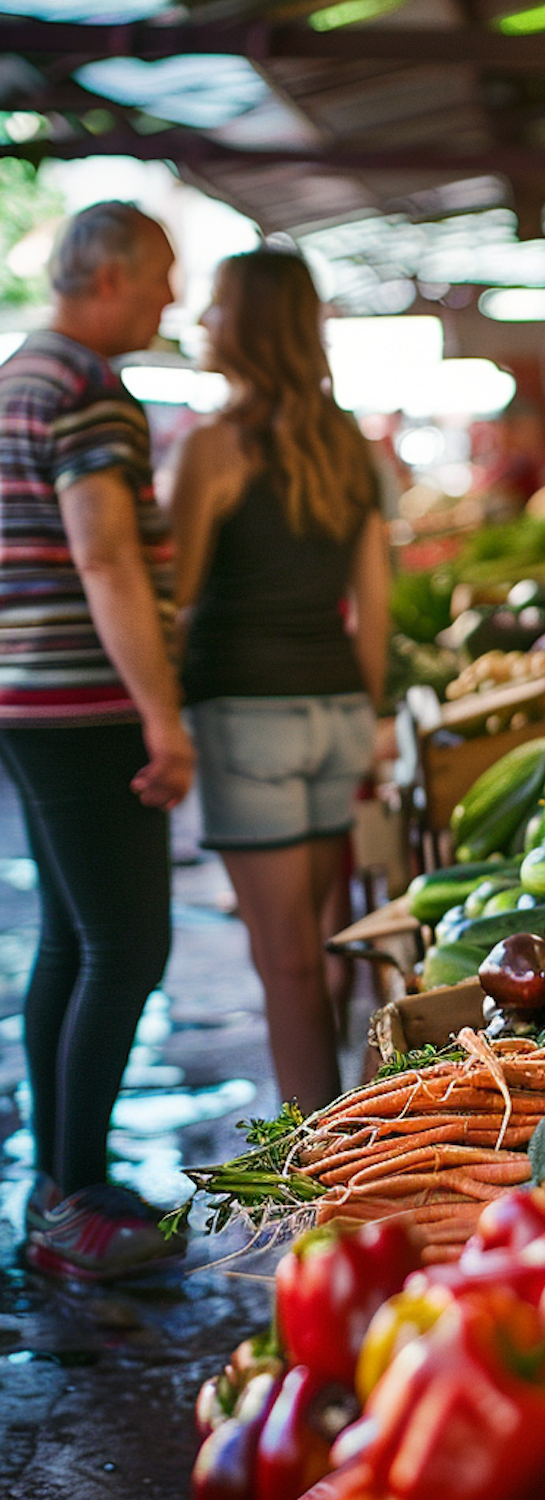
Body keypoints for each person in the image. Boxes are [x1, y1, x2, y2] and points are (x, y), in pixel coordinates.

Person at [0, 201, 194, 1280]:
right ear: (108, 275)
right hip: (85, 707)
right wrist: (163, 718)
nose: (173, 298)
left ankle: (64, 1179)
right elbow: (106, 559)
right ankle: (73, 1204)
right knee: (127, 946)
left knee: (75, 942)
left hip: (29, 703)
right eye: (163, 275)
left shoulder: (18, 374)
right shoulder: (87, 389)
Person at [166, 249, 389, 1114]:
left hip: (245, 719)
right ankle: (350, 1123)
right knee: (324, 945)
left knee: (287, 959)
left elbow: (176, 597)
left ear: (252, 327)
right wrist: (362, 712)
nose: (202, 323)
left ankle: (322, 1164)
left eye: (217, 307)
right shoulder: (350, 446)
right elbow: (373, 605)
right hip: (335, 710)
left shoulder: (211, 449)